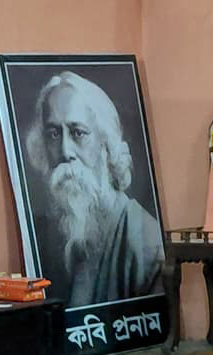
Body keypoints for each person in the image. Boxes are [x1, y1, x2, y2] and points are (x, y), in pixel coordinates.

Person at [25, 71, 163, 307]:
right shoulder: (54, 232)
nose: (66, 150)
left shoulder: (145, 242)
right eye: (54, 134)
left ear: (106, 144)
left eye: (78, 133)